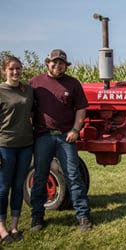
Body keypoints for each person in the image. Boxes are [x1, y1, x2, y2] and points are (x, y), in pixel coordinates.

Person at [29, 49, 92, 232]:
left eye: (61, 63)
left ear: (66, 65)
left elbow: (81, 109)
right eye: (54, 62)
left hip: (66, 136)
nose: (58, 66)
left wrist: (75, 130)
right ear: (48, 63)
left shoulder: (72, 84)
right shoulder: (35, 83)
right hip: (43, 136)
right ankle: (37, 217)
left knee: (73, 176)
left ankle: (83, 215)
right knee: (40, 176)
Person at [0, 56, 33, 244]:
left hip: (25, 145)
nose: (15, 72)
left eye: (18, 69)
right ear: (5, 70)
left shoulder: (28, 89)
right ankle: (2, 228)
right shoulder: (1, 90)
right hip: (5, 146)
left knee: (19, 187)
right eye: (12, 69)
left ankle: (14, 226)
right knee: (3, 188)